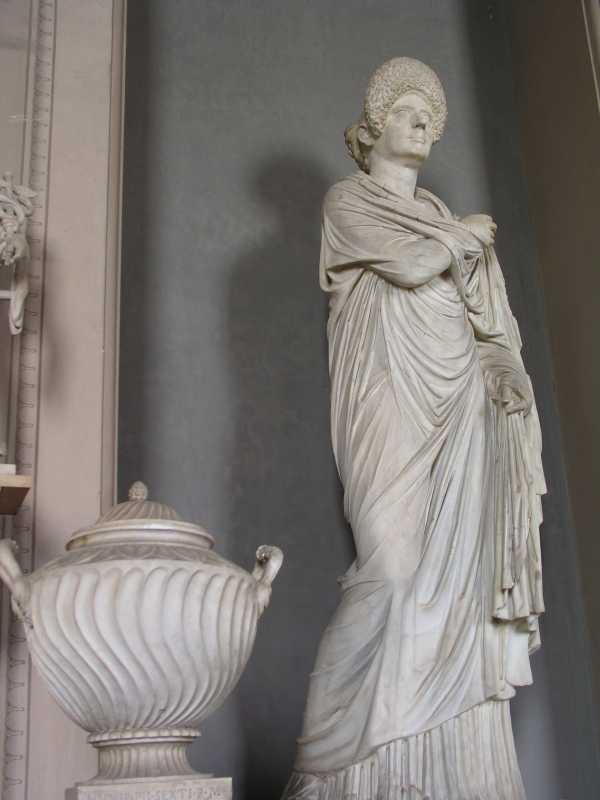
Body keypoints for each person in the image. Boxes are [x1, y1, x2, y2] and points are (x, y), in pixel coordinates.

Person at [282, 57, 545, 800]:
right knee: (390, 571)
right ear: (373, 126)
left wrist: (505, 371)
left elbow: (489, 327)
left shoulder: (443, 216)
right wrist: (461, 238)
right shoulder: (350, 201)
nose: (424, 121)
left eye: (432, 113)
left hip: (461, 408)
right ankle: (325, 767)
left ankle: (446, 773)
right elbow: (410, 265)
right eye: (406, 109)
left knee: (460, 587)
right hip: (385, 392)